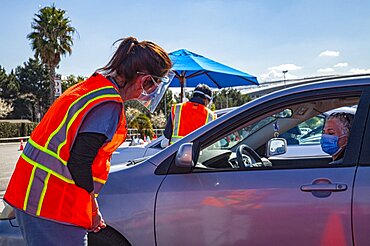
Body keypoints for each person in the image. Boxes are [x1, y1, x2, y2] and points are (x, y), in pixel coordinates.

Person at [4, 36, 173, 245]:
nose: (152, 92)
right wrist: (92, 209)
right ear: (144, 80)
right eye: (154, 85)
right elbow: (80, 163)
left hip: (30, 196)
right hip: (52, 205)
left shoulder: (91, 88)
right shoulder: (108, 104)